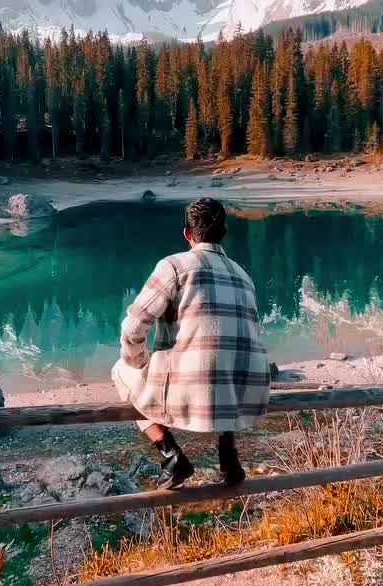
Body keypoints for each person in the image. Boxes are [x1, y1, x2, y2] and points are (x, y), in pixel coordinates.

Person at [112, 197, 270, 488]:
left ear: (187, 234)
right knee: (224, 356)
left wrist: (138, 362)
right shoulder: (243, 276)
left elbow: (133, 327)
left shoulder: (174, 266)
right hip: (240, 396)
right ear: (223, 233)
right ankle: (229, 457)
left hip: (189, 391)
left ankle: (172, 457)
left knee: (120, 370)